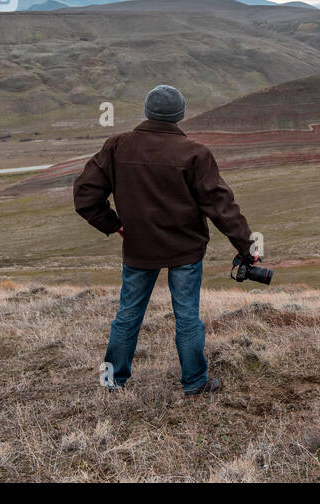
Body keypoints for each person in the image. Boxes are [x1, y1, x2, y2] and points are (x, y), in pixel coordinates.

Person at [73, 84, 258, 395]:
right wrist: (247, 247)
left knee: (127, 315)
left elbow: (84, 196)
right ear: (180, 115)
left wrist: (114, 224)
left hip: (138, 248)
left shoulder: (118, 146)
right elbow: (221, 206)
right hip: (185, 250)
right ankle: (195, 384)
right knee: (187, 318)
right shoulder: (195, 153)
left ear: (147, 111)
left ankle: (111, 381)